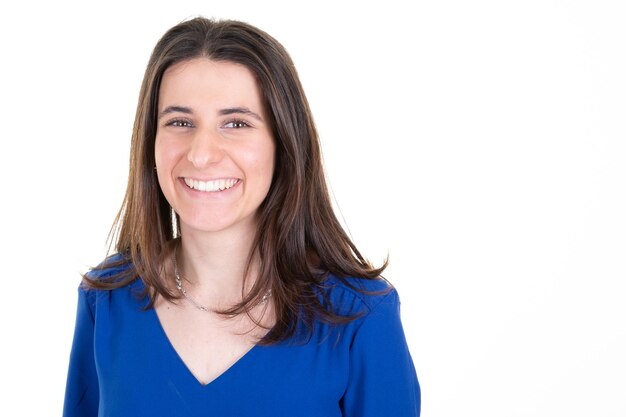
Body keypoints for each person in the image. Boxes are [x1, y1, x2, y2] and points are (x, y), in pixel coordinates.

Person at [63, 16, 420, 417]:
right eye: (180, 122)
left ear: (283, 144)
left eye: (236, 123)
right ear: (150, 143)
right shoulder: (107, 300)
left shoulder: (360, 316)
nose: (201, 153)